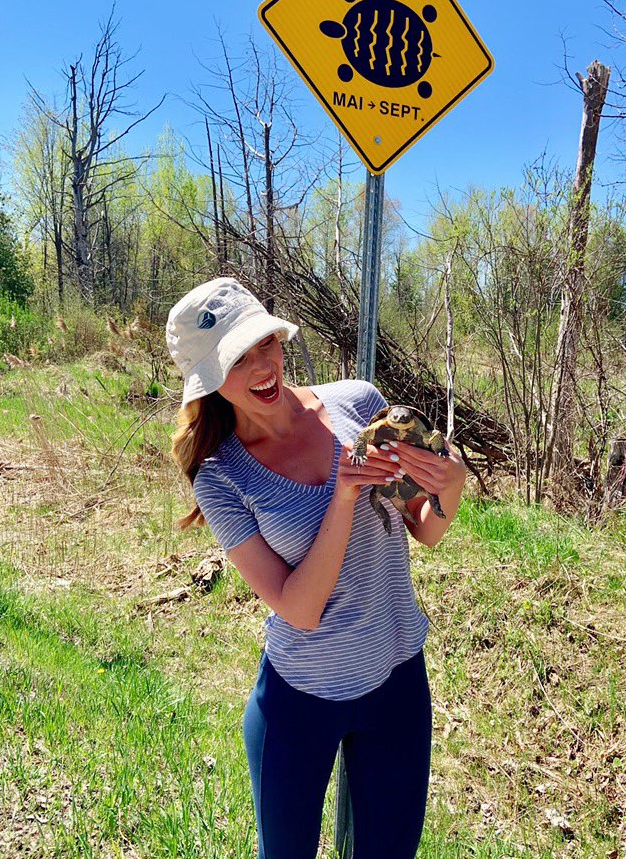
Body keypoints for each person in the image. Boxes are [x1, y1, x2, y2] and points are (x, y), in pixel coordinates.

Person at [166, 277, 466, 859]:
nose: (262, 366)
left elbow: (426, 528)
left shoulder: (357, 403)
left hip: (396, 679)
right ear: (208, 380)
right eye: (237, 359)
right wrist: (344, 495)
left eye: (265, 343)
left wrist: (450, 483)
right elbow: (299, 610)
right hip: (299, 701)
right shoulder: (220, 478)